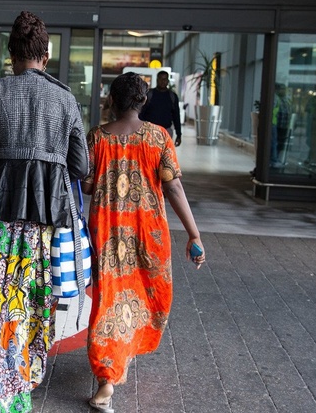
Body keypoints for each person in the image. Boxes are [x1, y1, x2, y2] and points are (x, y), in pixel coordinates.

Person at [0, 11, 89, 413]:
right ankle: (23, 379)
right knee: (32, 299)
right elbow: (81, 165)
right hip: (44, 221)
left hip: (0, 213)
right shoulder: (65, 98)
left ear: (11, 54)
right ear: (45, 57)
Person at [82, 72, 204, 412]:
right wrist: (194, 235)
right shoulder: (158, 137)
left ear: (113, 100)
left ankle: (110, 372)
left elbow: (88, 185)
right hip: (149, 233)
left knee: (109, 298)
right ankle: (110, 375)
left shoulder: (97, 137)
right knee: (149, 295)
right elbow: (174, 187)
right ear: (143, 101)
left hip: (107, 235)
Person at [138, 70, 182, 147]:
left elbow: (176, 116)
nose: (163, 81)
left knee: (163, 155)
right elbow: (141, 113)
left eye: (165, 79)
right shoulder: (149, 94)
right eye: (161, 79)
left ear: (168, 81)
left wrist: (179, 135)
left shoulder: (172, 96)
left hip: (166, 131)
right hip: (149, 131)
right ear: (157, 80)